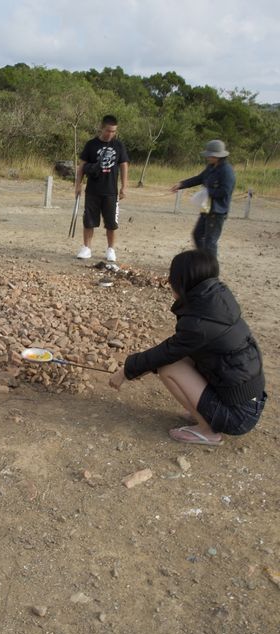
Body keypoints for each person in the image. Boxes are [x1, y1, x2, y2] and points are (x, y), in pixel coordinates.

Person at [108, 250, 266, 445]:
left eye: (172, 277)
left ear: (183, 282)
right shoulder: (216, 302)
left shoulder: (200, 323)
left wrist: (127, 370)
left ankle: (208, 431)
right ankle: (207, 412)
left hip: (239, 416)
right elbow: (177, 349)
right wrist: (144, 367)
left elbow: (167, 352)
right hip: (249, 403)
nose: (169, 281)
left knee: (169, 367)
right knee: (179, 359)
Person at [75, 114, 129, 262]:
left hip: (111, 191)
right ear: (101, 128)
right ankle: (86, 248)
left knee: (111, 222)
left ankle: (111, 249)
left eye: (113, 131)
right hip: (93, 190)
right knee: (89, 220)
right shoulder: (91, 144)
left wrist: (124, 186)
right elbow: (81, 166)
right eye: (108, 131)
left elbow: (124, 165)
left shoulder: (119, 145)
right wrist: (78, 184)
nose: (110, 134)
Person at [170, 139, 235, 258]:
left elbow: (225, 191)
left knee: (210, 242)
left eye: (209, 155)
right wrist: (182, 184)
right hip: (206, 209)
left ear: (217, 156)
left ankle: (211, 268)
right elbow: (199, 178)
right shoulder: (211, 167)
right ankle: (203, 260)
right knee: (197, 235)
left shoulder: (226, 171)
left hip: (216, 211)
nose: (207, 157)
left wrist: (207, 192)